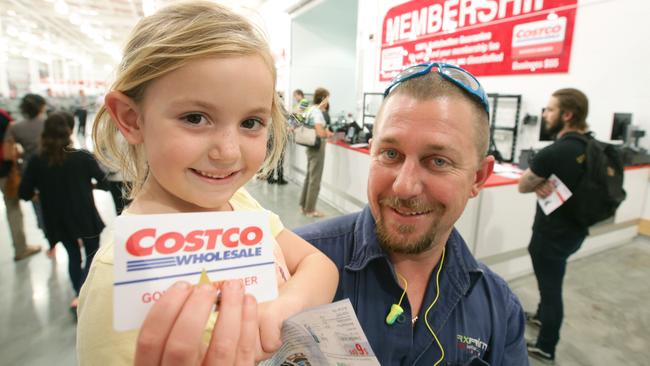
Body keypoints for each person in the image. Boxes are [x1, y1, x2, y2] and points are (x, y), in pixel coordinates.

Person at [76, 2, 338, 364]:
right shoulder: (118, 279)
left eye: (250, 123)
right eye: (195, 118)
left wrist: (280, 310)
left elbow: (318, 264)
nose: (228, 152)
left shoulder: (239, 205)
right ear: (132, 119)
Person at [294, 63, 529, 365]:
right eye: (391, 154)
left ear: (478, 178)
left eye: (438, 161)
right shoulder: (298, 263)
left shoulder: (500, 310)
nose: (404, 187)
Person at [517, 88, 591, 363]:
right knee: (550, 281)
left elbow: (523, 185)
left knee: (551, 288)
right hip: (576, 231)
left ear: (567, 115)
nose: (545, 114)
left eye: (550, 109)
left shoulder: (556, 152)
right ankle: (540, 316)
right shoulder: (589, 147)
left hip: (551, 234)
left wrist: (537, 183)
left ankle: (546, 346)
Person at [19, 112, 107, 308]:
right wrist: (90, 186)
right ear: (70, 131)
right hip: (84, 214)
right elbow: (104, 181)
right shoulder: (82, 157)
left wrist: (39, 194)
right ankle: (83, 294)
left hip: (57, 217)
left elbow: (24, 192)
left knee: (73, 255)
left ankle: (78, 293)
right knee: (92, 254)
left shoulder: (36, 161)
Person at [3, 93, 48, 245]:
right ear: (41, 106)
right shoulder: (49, 122)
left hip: (30, 171)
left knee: (38, 204)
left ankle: (49, 239)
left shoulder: (15, 127)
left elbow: (8, 154)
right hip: (54, 166)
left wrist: (22, 153)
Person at [1, 107, 40, 261]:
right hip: (5, 171)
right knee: (13, 207)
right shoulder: (2, 116)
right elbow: (8, 152)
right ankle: (20, 249)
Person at [299, 87, 333, 218]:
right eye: (327, 98)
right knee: (315, 179)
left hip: (309, 146)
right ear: (323, 98)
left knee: (309, 177)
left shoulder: (310, 109)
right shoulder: (318, 113)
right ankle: (310, 210)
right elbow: (319, 132)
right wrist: (328, 133)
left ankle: (304, 206)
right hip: (317, 147)